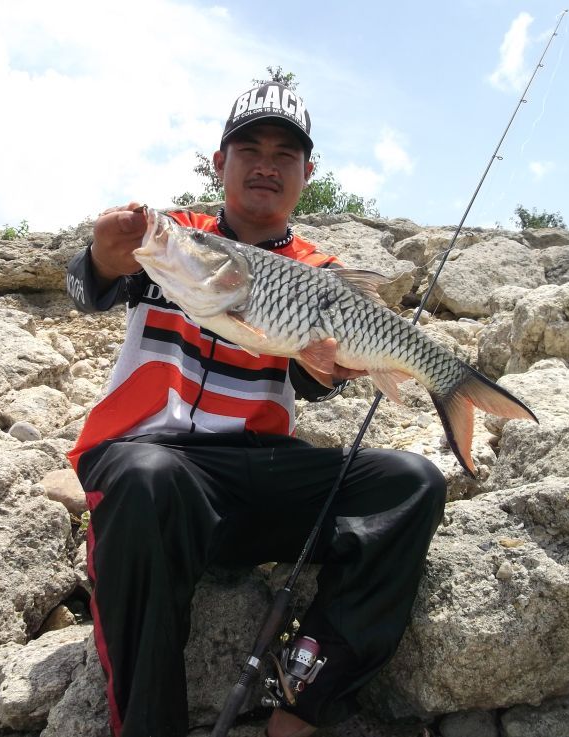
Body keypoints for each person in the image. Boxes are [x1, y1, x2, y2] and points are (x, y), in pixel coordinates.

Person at [65, 81, 446, 737]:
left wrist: (328, 363)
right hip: (155, 469)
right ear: (219, 163)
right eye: (249, 148)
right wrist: (102, 252)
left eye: (285, 153)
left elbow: (319, 385)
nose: (266, 164)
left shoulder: (318, 270)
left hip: (261, 472)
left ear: (307, 174)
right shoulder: (171, 240)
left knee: (411, 483)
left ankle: (300, 703)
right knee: (143, 476)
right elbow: (86, 287)